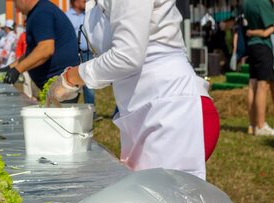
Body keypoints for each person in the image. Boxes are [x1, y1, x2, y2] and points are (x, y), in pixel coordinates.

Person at [46, 0, 220, 180]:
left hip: (172, 110)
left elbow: (128, 56)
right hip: (143, 112)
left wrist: (72, 77)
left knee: (159, 202)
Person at [2, 0, 79, 95]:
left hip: (61, 83)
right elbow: (33, 52)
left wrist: (18, 70)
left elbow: (45, 50)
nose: (15, 6)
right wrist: (11, 67)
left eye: (15, 2)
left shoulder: (41, 12)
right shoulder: (38, 11)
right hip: (56, 83)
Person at [242, 0, 274, 136]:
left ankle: (252, 125)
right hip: (263, 46)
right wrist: (259, 33)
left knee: (252, 85)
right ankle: (261, 125)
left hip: (252, 47)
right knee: (263, 85)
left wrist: (252, 32)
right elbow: (269, 30)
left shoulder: (247, 2)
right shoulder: (263, 3)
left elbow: (247, 28)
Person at [65, 0, 95, 107]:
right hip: (74, 55)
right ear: (76, 2)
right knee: (73, 82)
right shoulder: (66, 16)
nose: (85, 2)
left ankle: (91, 110)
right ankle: (70, 106)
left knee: (89, 83)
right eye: (83, 1)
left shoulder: (87, 15)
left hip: (88, 54)